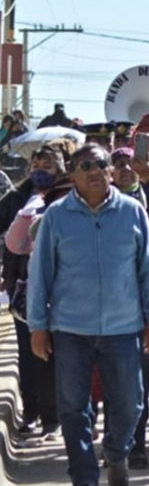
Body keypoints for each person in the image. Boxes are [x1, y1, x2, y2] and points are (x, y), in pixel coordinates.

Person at [26, 144, 149, 486]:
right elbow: (39, 274)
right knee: (73, 408)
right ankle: (84, 478)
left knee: (131, 403)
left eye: (100, 164)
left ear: (110, 171)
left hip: (124, 329)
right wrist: (38, 326)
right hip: (70, 329)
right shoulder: (57, 216)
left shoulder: (133, 212)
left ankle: (117, 451)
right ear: (71, 174)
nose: (93, 171)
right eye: (84, 165)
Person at [109, 146, 149, 468]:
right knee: (112, 381)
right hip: (107, 306)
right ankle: (115, 444)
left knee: (138, 379)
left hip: (141, 304)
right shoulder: (100, 205)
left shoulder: (145, 203)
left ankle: (136, 446)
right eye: (118, 164)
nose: (125, 169)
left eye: (130, 163)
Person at [1, 147, 69, 444]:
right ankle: (31, 413)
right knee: (28, 353)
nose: (41, 168)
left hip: (61, 290)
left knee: (53, 354)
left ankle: (53, 419)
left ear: (61, 168)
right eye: (37, 163)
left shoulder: (68, 196)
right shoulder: (16, 197)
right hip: (24, 288)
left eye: (49, 163)